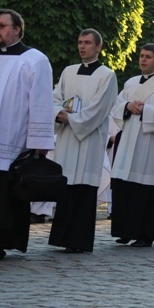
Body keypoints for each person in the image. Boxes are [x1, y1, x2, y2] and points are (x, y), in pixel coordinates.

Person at [0, 9, 54, 261]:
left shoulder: (35, 59)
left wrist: (39, 143)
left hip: (11, 142)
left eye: (2, 25)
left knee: (3, 197)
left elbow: (40, 102)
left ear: (17, 29)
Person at [49, 28, 118, 253]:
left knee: (83, 189)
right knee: (67, 187)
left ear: (98, 47)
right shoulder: (68, 72)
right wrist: (58, 113)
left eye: (87, 42)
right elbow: (55, 97)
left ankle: (79, 240)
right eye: (80, 42)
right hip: (68, 139)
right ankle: (61, 237)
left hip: (89, 140)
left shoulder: (107, 75)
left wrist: (72, 119)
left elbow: (99, 109)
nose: (82, 46)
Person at [110, 44, 154, 247]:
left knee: (146, 191)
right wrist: (127, 106)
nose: (143, 60)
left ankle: (146, 234)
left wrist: (146, 109)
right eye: (141, 56)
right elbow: (116, 106)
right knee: (126, 188)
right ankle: (125, 230)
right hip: (129, 140)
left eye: (148, 57)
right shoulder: (131, 83)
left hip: (151, 146)